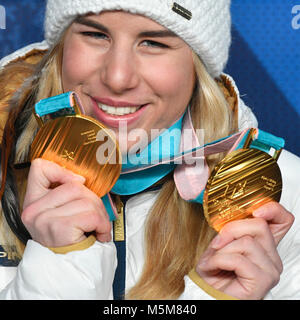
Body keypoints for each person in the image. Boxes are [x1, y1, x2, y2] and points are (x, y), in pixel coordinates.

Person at [0, 0, 299, 300]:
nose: (117, 78)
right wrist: (59, 268)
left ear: (197, 65)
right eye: (96, 35)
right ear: (62, 47)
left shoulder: (281, 194)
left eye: (153, 42)